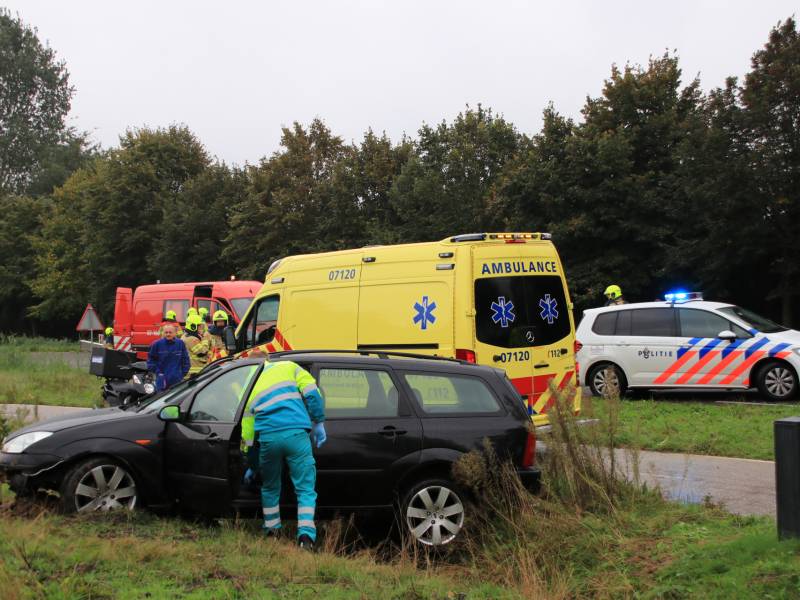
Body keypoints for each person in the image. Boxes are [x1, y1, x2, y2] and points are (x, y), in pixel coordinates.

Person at [241, 358, 326, 549]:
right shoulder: (290, 367)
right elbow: (312, 393)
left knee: (270, 487)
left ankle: (272, 532)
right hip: (296, 435)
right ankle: (306, 538)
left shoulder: (251, 382)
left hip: (268, 438)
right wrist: (318, 421)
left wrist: (252, 465)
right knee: (305, 489)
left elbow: (248, 433)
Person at [147, 323, 190, 390]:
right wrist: (158, 373)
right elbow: (151, 360)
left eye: (170, 332)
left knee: (176, 398)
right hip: (161, 380)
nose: (168, 334)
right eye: (166, 332)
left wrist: (182, 374)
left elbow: (185, 359)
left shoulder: (180, 343)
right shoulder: (157, 344)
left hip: (177, 379)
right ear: (163, 333)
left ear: (175, 333)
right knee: (160, 398)